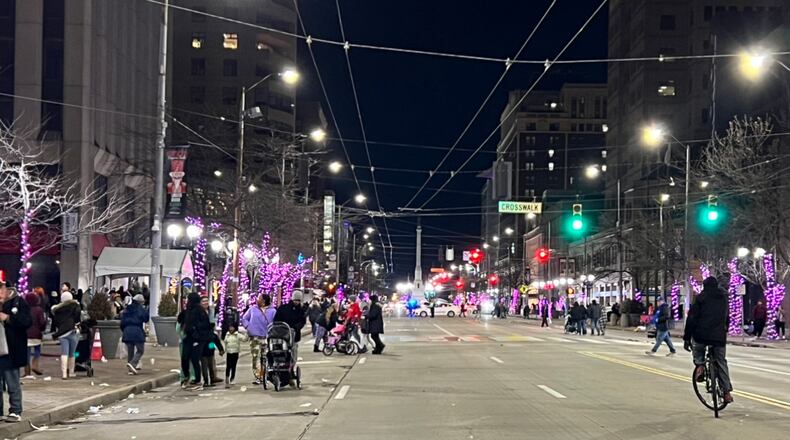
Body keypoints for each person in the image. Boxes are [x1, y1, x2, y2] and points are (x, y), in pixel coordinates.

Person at [683, 276, 734, 404]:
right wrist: (724, 329)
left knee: (698, 347)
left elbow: (692, 318)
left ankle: (700, 366)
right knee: (721, 362)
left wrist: (687, 338)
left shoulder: (700, 298)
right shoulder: (723, 298)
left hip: (701, 334)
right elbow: (727, 317)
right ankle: (727, 393)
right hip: (718, 336)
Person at [0, 282, 32, 423]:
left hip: (11, 350)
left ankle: (15, 410)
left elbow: (27, 321)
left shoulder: (18, 302)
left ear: (5, 289)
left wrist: (8, 318)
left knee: (12, 382)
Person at [241, 294, 276, 384]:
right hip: (255, 337)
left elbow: (275, 323)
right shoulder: (253, 309)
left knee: (265, 357)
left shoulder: (272, 311)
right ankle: (258, 376)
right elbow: (244, 318)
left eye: (259, 298)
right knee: (255, 357)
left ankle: (264, 375)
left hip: (266, 337)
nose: (257, 299)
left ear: (263, 301)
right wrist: (248, 327)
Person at [51, 290, 81, 380]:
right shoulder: (75, 306)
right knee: (72, 353)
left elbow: (55, 322)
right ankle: (71, 372)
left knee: (64, 352)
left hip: (62, 333)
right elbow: (77, 318)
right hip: (72, 331)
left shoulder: (56, 309)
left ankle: (64, 373)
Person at [274, 290, 307, 362]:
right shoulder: (283, 308)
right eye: (295, 300)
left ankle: (291, 363)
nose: (297, 302)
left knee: (293, 349)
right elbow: (276, 320)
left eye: (298, 300)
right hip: (282, 333)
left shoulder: (300, 310)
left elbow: (302, 321)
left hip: (294, 334)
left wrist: (296, 327)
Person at [121, 294, 149, 375]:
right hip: (137, 331)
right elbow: (146, 318)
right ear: (141, 302)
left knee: (130, 351)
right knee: (140, 350)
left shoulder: (127, 309)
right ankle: (133, 364)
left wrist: (124, 330)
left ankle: (130, 370)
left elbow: (122, 323)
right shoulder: (140, 309)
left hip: (127, 331)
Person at [24, 292, 46, 378]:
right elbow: (42, 322)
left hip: (25, 334)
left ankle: (27, 371)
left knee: (26, 353)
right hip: (36, 334)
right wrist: (42, 329)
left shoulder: (24, 309)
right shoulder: (39, 310)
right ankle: (35, 365)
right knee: (37, 350)